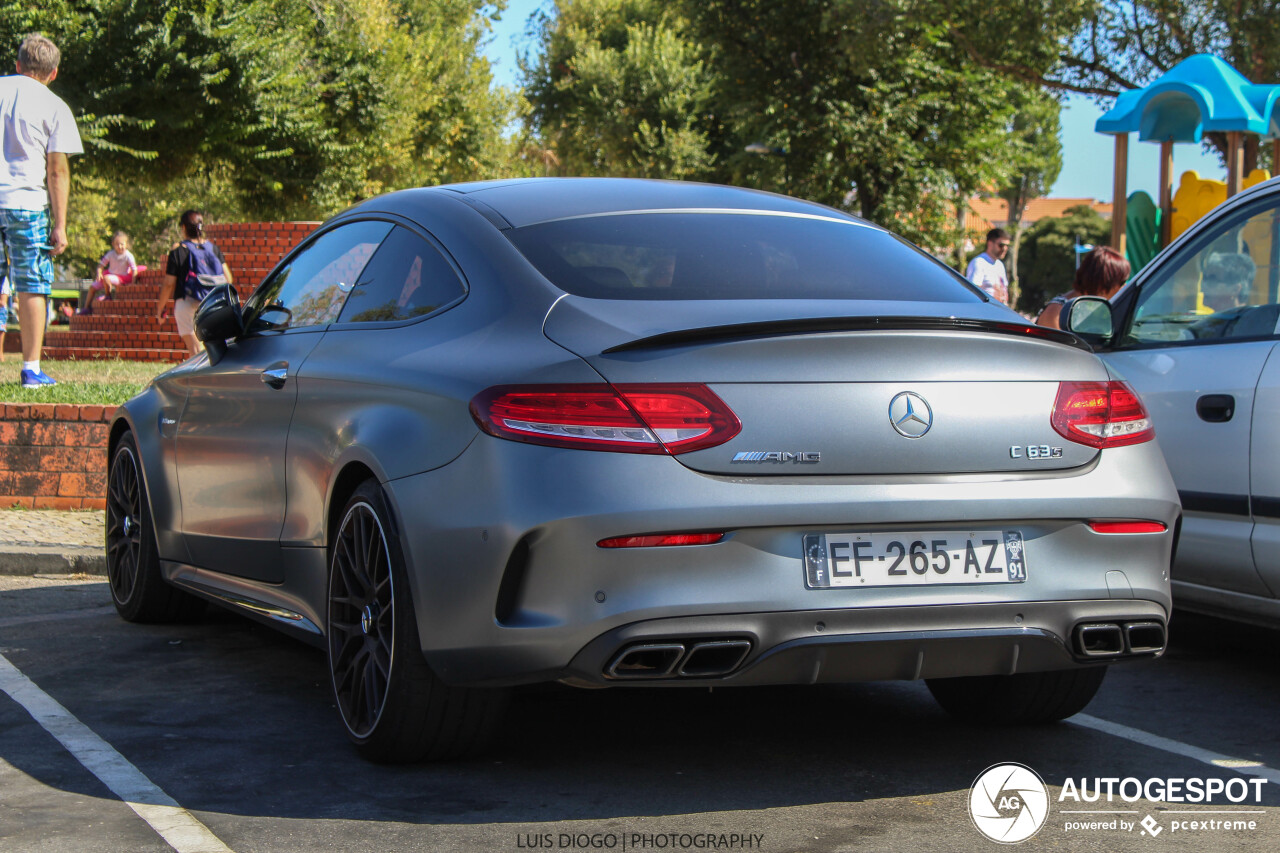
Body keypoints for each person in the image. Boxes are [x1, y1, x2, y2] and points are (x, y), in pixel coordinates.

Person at [0, 34, 83, 388]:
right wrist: (60, 225)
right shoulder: (55, 106)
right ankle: (31, 369)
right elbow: (57, 171)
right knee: (32, 284)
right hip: (27, 203)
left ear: (17, 65)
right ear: (53, 73)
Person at [154, 209, 233, 358]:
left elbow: (169, 283)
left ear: (183, 228)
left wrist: (161, 307)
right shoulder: (213, 248)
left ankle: (202, 379)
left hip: (188, 302)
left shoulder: (179, 250)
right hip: (212, 302)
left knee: (196, 351)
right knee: (212, 348)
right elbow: (228, 278)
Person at [1035, 246, 1130, 329]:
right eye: (1121, 282)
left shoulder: (1094, 307)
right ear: (1103, 283)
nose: (1124, 287)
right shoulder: (1057, 311)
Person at [91, 230, 146, 302]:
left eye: (122, 244)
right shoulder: (110, 254)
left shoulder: (128, 255)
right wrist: (99, 273)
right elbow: (100, 265)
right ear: (113, 244)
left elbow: (134, 269)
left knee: (107, 278)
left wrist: (133, 283)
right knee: (92, 287)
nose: (119, 246)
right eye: (117, 244)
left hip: (121, 278)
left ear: (126, 244)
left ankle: (108, 296)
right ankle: (86, 307)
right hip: (110, 275)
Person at [965, 228, 1011, 305]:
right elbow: (973, 293)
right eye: (1001, 245)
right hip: (985, 313)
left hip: (999, 313)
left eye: (1007, 246)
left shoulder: (1000, 265)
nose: (1004, 249)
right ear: (990, 243)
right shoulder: (979, 263)